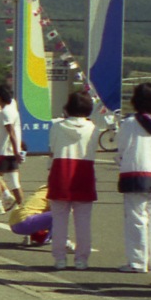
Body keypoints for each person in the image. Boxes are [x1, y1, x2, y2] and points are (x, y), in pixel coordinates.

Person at [115, 83, 151, 273]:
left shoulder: (129, 122)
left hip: (134, 174)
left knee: (136, 219)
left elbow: (122, 148)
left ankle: (137, 262)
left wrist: (120, 161)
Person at [47, 90, 98, 270]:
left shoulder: (57, 127)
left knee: (59, 220)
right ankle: (81, 259)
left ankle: (59, 259)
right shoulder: (93, 128)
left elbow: (53, 148)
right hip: (84, 173)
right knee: (83, 221)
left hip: (60, 172)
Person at [0, 84, 24, 212]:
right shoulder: (12, 110)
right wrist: (17, 151)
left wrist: (16, 151)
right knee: (14, 184)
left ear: (0, 97)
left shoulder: (5, 112)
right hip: (10, 153)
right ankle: (24, 210)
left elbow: (11, 132)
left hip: (5, 154)